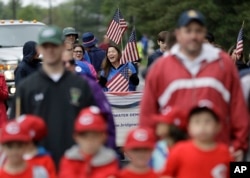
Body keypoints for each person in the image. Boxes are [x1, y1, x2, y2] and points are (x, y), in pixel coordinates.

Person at [139, 9, 249, 161]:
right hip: (174, 156)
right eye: (188, 30)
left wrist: (238, 145)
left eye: (198, 30)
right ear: (178, 34)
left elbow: (238, 109)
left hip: (219, 153)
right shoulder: (160, 67)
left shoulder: (224, 63)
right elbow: (148, 115)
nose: (193, 35)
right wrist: (150, 152)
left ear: (204, 32)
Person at [10, 26, 97, 166]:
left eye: (54, 45)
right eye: (45, 45)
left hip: (74, 163)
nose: (50, 50)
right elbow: (16, 130)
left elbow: (93, 127)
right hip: (38, 164)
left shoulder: (80, 85)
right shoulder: (26, 88)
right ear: (39, 49)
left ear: (63, 47)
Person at [161, 100, 232, 178]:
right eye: (197, 121)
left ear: (218, 126)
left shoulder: (225, 151)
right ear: (189, 127)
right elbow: (166, 174)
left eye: (207, 121)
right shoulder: (179, 149)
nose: (202, 126)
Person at [62, 50, 117, 150]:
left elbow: (107, 118)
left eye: (70, 62)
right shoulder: (47, 86)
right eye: (62, 63)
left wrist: (109, 149)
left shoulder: (89, 85)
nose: (67, 65)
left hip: (90, 147)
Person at [58, 106, 118, 178]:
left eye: (94, 136)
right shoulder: (68, 159)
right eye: (84, 137)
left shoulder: (110, 159)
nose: (89, 141)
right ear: (76, 137)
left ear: (103, 137)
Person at [151, 107, 187, 172]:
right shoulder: (154, 149)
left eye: (162, 122)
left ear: (174, 126)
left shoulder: (190, 148)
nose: (158, 124)